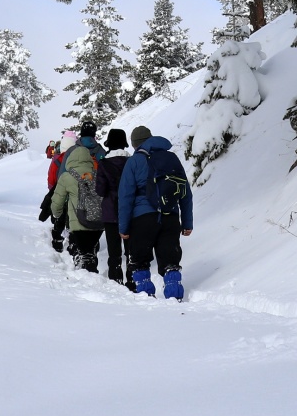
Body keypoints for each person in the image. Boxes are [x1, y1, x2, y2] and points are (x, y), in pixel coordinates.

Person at [117, 125, 193, 299]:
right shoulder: (171, 158)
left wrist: (124, 227)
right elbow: (185, 192)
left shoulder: (134, 161)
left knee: (140, 261)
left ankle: (146, 298)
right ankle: (175, 296)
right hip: (170, 216)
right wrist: (187, 222)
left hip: (143, 219)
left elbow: (125, 197)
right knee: (170, 261)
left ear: (135, 144)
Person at [50, 122, 105, 272]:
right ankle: (90, 261)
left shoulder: (71, 155)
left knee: (78, 239)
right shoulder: (100, 152)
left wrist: (58, 212)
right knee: (91, 243)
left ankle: (81, 263)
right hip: (96, 213)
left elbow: (61, 178)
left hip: (75, 209)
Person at [95, 128, 133, 288]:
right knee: (131, 251)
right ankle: (133, 280)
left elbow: (100, 190)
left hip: (110, 212)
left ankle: (116, 281)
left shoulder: (103, 164)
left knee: (114, 251)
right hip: (130, 211)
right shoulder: (132, 162)